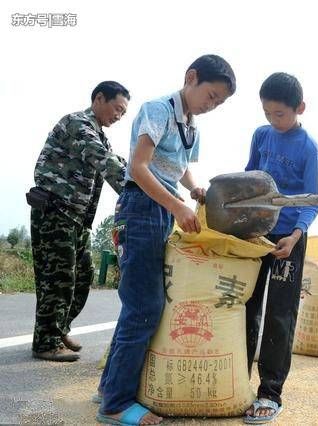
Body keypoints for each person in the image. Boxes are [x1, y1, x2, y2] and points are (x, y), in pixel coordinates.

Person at [95, 54, 236, 426]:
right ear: (191, 78)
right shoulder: (157, 109)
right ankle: (115, 404)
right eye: (210, 95)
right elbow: (139, 168)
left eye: (219, 102)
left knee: (143, 303)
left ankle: (109, 386)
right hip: (142, 207)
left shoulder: (191, 125)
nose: (212, 105)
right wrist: (176, 205)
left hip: (161, 208)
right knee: (144, 306)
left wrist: (194, 189)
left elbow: (181, 165)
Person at [29, 81, 130, 362]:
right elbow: (105, 162)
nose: (119, 116)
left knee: (82, 277)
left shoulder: (100, 136)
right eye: (117, 109)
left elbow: (117, 160)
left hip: (77, 218)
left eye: (123, 113)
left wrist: (145, 172)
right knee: (58, 279)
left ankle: (58, 328)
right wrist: (138, 193)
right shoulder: (78, 124)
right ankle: (46, 341)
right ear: (99, 98)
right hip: (55, 212)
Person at [243, 72, 318, 424]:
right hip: (256, 234)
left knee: (279, 313)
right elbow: (249, 180)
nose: (273, 121)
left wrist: (296, 235)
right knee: (247, 305)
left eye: (280, 115)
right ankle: (237, 381)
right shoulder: (260, 135)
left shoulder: (308, 147)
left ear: (299, 108)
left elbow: (312, 200)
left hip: (289, 238)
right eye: (267, 113)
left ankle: (269, 393)